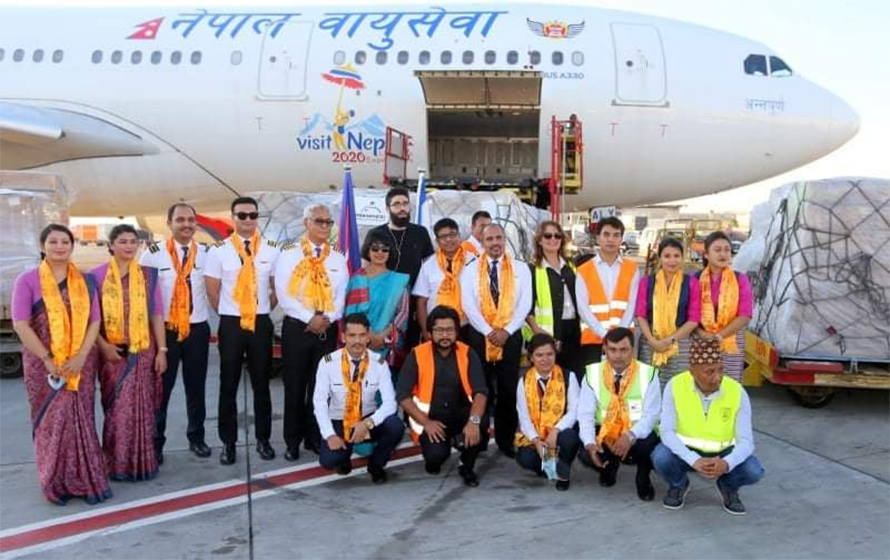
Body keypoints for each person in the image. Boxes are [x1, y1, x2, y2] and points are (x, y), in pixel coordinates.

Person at [11, 224, 111, 505]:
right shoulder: (28, 280)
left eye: (65, 242)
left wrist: (80, 356)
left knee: (82, 420)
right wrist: (47, 359)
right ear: (42, 246)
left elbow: (95, 321)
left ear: (72, 246)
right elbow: (21, 324)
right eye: (53, 242)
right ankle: (54, 482)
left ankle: (86, 480)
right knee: (52, 423)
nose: (59, 246)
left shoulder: (85, 281)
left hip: (81, 363)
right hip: (43, 365)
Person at [205, 196, 279, 465]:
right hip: (232, 324)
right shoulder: (218, 251)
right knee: (229, 384)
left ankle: (263, 439)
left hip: (260, 323)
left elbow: (276, 288)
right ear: (233, 217)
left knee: (261, 384)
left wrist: (261, 310)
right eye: (242, 215)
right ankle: (228, 443)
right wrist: (231, 312)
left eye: (252, 215)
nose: (248, 220)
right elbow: (213, 292)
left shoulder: (271, 249)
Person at [652, 336, 764, 514]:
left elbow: (746, 442)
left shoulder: (737, 391)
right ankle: (679, 485)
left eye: (720, 370)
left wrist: (727, 463)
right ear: (692, 371)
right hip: (685, 452)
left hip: (723, 453)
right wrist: (693, 459)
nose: (717, 378)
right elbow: (667, 432)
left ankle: (728, 486)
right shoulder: (675, 386)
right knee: (661, 457)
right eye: (709, 372)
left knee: (753, 471)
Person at [91, 224, 166, 481]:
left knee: (143, 408)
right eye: (123, 241)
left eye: (133, 241)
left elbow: (157, 314)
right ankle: (117, 463)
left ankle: (142, 463)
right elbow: (89, 319)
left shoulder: (148, 275)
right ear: (111, 245)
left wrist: (162, 350)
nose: (129, 246)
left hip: (143, 351)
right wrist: (103, 346)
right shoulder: (95, 276)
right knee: (117, 410)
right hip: (112, 354)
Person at [274, 204, 348, 460]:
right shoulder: (289, 255)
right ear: (306, 223)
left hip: (326, 329)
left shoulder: (337, 257)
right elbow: (284, 294)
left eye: (328, 222)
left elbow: (341, 295)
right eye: (319, 221)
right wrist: (310, 318)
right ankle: (292, 441)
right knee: (295, 386)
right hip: (298, 328)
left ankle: (314, 437)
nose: (325, 226)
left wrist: (327, 319)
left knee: (321, 388)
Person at [139, 203, 212, 463]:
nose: (186, 224)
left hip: (197, 329)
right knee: (161, 390)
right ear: (169, 223)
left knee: (196, 388)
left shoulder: (207, 254)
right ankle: (156, 443)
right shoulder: (152, 255)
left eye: (191, 219)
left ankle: (197, 437)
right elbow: (144, 297)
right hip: (166, 331)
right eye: (180, 220)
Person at [461, 223, 532, 457]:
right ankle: (479, 439)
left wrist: (507, 331)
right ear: (482, 242)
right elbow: (468, 305)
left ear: (504, 239)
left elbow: (525, 304)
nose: (495, 243)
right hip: (479, 337)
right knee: (481, 389)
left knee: (508, 390)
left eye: (498, 238)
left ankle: (505, 440)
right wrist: (488, 332)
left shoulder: (521, 268)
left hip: (510, 337)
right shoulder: (470, 269)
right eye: (489, 239)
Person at [398, 306, 489, 487]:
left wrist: (473, 422)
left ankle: (466, 465)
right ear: (430, 332)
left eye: (449, 330)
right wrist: (427, 423)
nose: (445, 335)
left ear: (457, 332)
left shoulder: (468, 353)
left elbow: (481, 392)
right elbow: (402, 396)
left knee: (481, 422)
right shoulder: (417, 354)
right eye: (439, 330)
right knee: (436, 458)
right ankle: (439, 452)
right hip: (430, 418)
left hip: (460, 414)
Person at [313, 313, 405, 483]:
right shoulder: (328, 363)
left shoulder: (379, 363)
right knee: (329, 461)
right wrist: (329, 435)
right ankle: (343, 456)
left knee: (395, 426)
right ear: (343, 337)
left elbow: (390, 403)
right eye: (352, 335)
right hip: (339, 419)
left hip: (367, 418)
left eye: (362, 335)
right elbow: (319, 402)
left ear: (368, 336)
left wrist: (368, 423)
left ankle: (376, 465)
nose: (357, 341)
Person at [577, 328, 661, 501]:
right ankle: (608, 467)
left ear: (633, 350)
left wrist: (630, 435)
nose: (618, 356)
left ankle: (643, 478)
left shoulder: (648, 374)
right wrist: (590, 444)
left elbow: (652, 415)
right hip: (606, 432)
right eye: (613, 350)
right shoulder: (592, 374)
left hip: (637, 433)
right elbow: (585, 414)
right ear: (605, 349)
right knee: (585, 454)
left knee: (649, 444)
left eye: (624, 350)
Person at [365, 186, 434, 346]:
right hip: (382, 304)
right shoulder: (375, 234)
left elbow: (429, 267)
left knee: (410, 350)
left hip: (414, 306)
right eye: (396, 204)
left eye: (405, 203)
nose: (402, 208)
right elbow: (365, 270)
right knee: (381, 348)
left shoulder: (420, 233)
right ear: (387, 209)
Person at [514, 333, 581, 491]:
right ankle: (548, 468)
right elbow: (524, 417)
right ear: (531, 358)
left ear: (555, 354)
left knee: (569, 438)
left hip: (559, 434)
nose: (545, 359)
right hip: (538, 436)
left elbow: (574, 411)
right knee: (525, 458)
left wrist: (556, 430)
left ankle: (563, 470)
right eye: (539, 355)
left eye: (550, 354)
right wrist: (537, 441)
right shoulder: (524, 381)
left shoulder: (568, 376)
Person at [635, 238, 701, 389]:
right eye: (667, 256)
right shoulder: (647, 282)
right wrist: (653, 341)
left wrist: (669, 341)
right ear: (660, 258)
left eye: (676, 256)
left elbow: (694, 319)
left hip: (680, 344)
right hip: (650, 343)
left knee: (678, 388)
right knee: (649, 387)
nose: (672, 260)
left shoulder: (691, 283)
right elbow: (640, 315)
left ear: (682, 257)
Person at [576, 217, 640, 366]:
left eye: (616, 235)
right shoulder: (584, 270)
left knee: (623, 379)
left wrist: (618, 336)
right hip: (593, 340)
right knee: (594, 379)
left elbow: (632, 305)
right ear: (598, 238)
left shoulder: (632, 269)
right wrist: (604, 334)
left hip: (623, 341)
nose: (611, 239)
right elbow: (583, 308)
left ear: (621, 239)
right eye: (606, 234)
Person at [344, 230, 410, 373]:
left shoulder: (398, 280)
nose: (380, 252)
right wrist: (368, 336)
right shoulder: (357, 279)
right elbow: (350, 312)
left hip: (386, 342)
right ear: (367, 251)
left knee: (382, 381)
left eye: (385, 249)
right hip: (358, 340)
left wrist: (382, 335)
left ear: (390, 253)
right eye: (375, 248)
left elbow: (403, 312)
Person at [524, 220, 582, 377]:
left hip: (573, 331)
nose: (553, 239)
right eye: (548, 236)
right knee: (548, 379)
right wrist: (538, 332)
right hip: (546, 336)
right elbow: (526, 307)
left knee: (572, 377)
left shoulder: (571, 266)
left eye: (557, 236)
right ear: (539, 240)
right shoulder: (532, 269)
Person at [694, 231, 753, 383]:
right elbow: (690, 314)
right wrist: (702, 334)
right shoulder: (695, 279)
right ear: (706, 254)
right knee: (702, 383)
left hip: (730, 341)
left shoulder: (740, 279)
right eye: (717, 250)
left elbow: (745, 315)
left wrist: (719, 337)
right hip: (701, 340)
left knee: (728, 384)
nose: (723, 254)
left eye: (727, 250)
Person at [413, 218, 473, 341]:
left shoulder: (474, 261)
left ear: (459, 236)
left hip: (468, 326)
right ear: (437, 241)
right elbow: (421, 302)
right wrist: (425, 331)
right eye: (443, 237)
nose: (449, 239)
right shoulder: (428, 265)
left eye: (452, 234)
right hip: (437, 329)